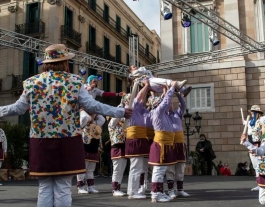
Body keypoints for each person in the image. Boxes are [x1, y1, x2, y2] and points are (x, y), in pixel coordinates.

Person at [0, 44, 133, 207]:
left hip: (40, 141)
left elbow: (17, 108)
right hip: (67, 140)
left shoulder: (31, 83)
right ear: (64, 62)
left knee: (44, 187)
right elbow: (93, 106)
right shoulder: (74, 82)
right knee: (63, 188)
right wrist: (120, 112)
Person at [148, 81, 180, 202]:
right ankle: (155, 193)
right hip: (161, 145)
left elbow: (164, 102)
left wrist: (166, 90)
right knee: (159, 170)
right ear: (158, 105)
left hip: (165, 144)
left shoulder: (162, 113)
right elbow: (165, 102)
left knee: (161, 170)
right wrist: (172, 88)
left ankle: (159, 192)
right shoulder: (157, 112)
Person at [125, 81, 151, 199]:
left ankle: (133, 190)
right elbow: (139, 96)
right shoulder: (131, 106)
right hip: (135, 139)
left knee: (138, 166)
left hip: (139, 139)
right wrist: (146, 85)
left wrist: (147, 88)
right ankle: (132, 191)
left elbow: (142, 97)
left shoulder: (139, 107)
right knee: (135, 166)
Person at [166, 91, 190, 199]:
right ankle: (171, 191)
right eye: (168, 104)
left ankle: (180, 190)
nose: (170, 105)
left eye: (171, 104)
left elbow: (183, 104)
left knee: (181, 168)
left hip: (180, 144)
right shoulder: (163, 116)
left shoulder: (177, 113)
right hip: (170, 144)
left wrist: (179, 94)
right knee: (170, 169)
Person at [76, 110, 105, 194]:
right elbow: (84, 117)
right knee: (82, 168)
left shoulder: (96, 122)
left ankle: (90, 187)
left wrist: (96, 110)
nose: (93, 115)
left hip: (93, 148)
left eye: (93, 113)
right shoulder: (83, 122)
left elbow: (102, 119)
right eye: (91, 113)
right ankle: (80, 187)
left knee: (91, 169)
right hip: (84, 147)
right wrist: (83, 111)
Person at [243, 105, 264, 191]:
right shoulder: (252, 121)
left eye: (252, 112)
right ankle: (259, 183)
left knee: (260, 166)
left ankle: (261, 184)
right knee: (256, 166)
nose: (251, 113)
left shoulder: (261, 121)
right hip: (252, 144)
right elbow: (249, 125)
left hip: (259, 145)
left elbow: (259, 134)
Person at [108, 108, 127, 197]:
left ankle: (118, 188)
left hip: (123, 148)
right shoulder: (111, 124)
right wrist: (122, 106)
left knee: (121, 170)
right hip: (116, 148)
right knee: (117, 170)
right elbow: (116, 117)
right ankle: (114, 189)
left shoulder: (122, 126)